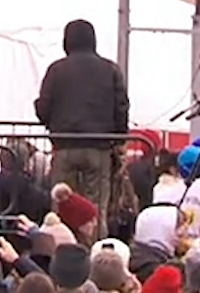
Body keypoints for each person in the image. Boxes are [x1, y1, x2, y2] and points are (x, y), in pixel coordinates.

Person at [34, 19, 129, 223]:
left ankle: (61, 246)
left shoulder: (56, 70)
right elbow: (121, 108)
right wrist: (119, 139)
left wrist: (51, 121)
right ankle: (92, 250)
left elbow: (44, 108)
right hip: (99, 149)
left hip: (64, 146)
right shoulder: (110, 69)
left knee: (62, 206)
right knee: (95, 210)